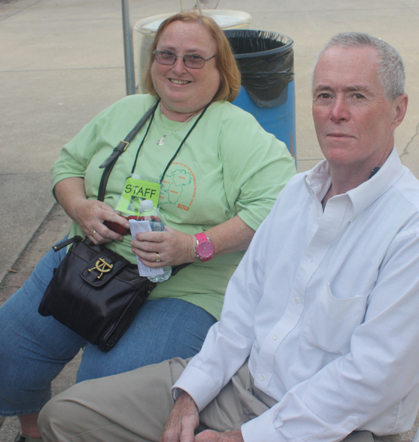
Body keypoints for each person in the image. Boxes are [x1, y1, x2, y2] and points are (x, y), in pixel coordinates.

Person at [38, 32, 419, 442]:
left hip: (336, 425)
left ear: (398, 109)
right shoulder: (297, 193)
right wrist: (191, 395)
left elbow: (371, 379)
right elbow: (240, 312)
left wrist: (248, 436)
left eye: (357, 95)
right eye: (324, 95)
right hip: (241, 382)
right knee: (65, 418)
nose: (336, 111)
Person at [0, 11, 296, 442]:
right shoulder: (127, 111)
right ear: (152, 61)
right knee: (9, 350)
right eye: (167, 55)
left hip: (182, 288)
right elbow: (68, 165)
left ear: (221, 68)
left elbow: (275, 206)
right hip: (92, 264)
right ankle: (35, 431)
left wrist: (195, 245)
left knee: (100, 396)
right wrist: (81, 207)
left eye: (195, 59)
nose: (178, 68)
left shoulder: (237, 132)